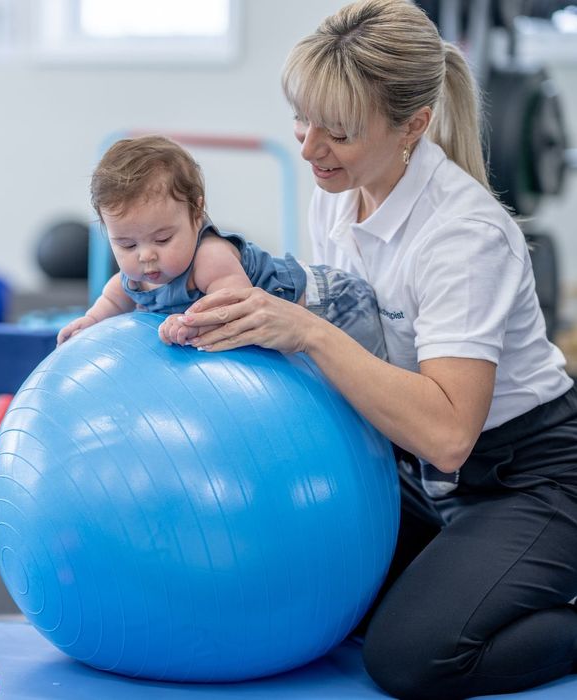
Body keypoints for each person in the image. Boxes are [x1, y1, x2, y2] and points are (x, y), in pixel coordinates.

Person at [168, 1, 577, 698]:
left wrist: (304, 329)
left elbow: (448, 434)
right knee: (314, 592)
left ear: (413, 126)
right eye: (302, 119)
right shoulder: (339, 194)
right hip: (428, 477)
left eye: (340, 132)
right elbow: (343, 325)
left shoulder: (462, 236)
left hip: (533, 479)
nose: (307, 147)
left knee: (410, 657)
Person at [56, 135, 386, 362]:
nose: (145, 255)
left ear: (197, 213)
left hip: (335, 305)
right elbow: (113, 300)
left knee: (364, 391)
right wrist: (89, 323)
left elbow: (237, 309)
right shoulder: (132, 279)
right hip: (301, 330)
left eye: (162, 239)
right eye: (126, 244)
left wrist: (190, 321)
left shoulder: (209, 258)